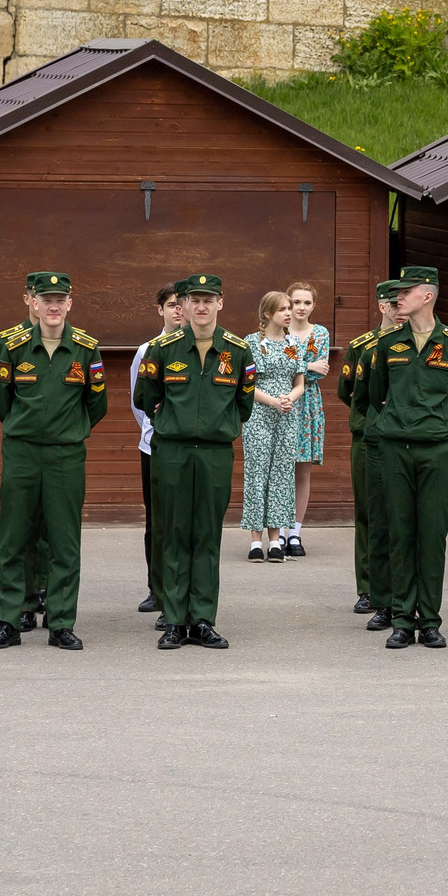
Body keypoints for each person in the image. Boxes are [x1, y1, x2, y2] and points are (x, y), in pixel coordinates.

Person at [0, 271, 106, 651]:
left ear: (70, 303)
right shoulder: (10, 344)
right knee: (14, 538)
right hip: (21, 453)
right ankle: (8, 620)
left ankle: (61, 622)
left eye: (60, 299)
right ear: (32, 302)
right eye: (45, 299)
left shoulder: (86, 347)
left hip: (66, 455)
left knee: (65, 541)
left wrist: (66, 430)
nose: (53, 306)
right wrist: (25, 427)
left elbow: (96, 404)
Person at [132, 273, 257, 650]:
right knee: (172, 534)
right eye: (193, 300)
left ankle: (201, 619)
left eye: (209, 299)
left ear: (221, 303)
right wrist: (175, 422)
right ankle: (173, 620)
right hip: (171, 452)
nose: (201, 306)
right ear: (182, 306)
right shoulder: (163, 349)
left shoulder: (238, 351)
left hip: (216, 454)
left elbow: (244, 403)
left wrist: (219, 426)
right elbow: (144, 397)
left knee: (206, 534)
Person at [362, 266, 448, 649]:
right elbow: (373, 392)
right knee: (400, 533)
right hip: (394, 449)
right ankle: (401, 619)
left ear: (427, 295)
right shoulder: (388, 343)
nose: (399, 298)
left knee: (432, 536)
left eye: (407, 291)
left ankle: (429, 620)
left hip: (437, 452)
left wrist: (435, 422)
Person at [341, 284, 399, 624]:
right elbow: (349, 392)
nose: (397, 308)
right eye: (392, 303)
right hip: (367, 437)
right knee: (367, 514)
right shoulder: (361, 346)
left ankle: (401, 590)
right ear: (381, 305)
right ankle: (368, 587)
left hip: (402, 439)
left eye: (401, 302)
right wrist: (376, 417)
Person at [242, 291, 302, 563]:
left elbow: (300, 382)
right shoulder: (252, 343)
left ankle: (276, 540)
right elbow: (247, 385)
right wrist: (273, 401)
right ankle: (256, 541)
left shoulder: (294, 344)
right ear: (267, 314)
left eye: (289, 308)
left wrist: (290, 398)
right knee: (257, 473)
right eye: (282, 309)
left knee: (281, 474)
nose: (288, 313)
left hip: (287, 414)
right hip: (259, 413)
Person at [134, 284, 180, 618]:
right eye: (172, 305)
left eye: (183, 304)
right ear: (160, 310)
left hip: (186, 448)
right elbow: (140, 400)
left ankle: (180, 590)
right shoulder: (147, 350)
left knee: (182, 522)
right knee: (157, 521)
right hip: (153, 446)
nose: (179, 310)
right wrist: (153, 430)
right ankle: (156, 587)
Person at [274, 280, 329, 558]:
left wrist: (300, 368)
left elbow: (321, 372)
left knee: (302, 470)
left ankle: (295, 532)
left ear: (313, 306)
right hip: (281, 401)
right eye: (296, 302)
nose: (301, 308)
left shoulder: (319, 333)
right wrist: (306, 364)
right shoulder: (278, 332)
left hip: (308, 404)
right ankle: (279, 533)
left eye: (307, 302)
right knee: (282, 467)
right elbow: (278, 367)